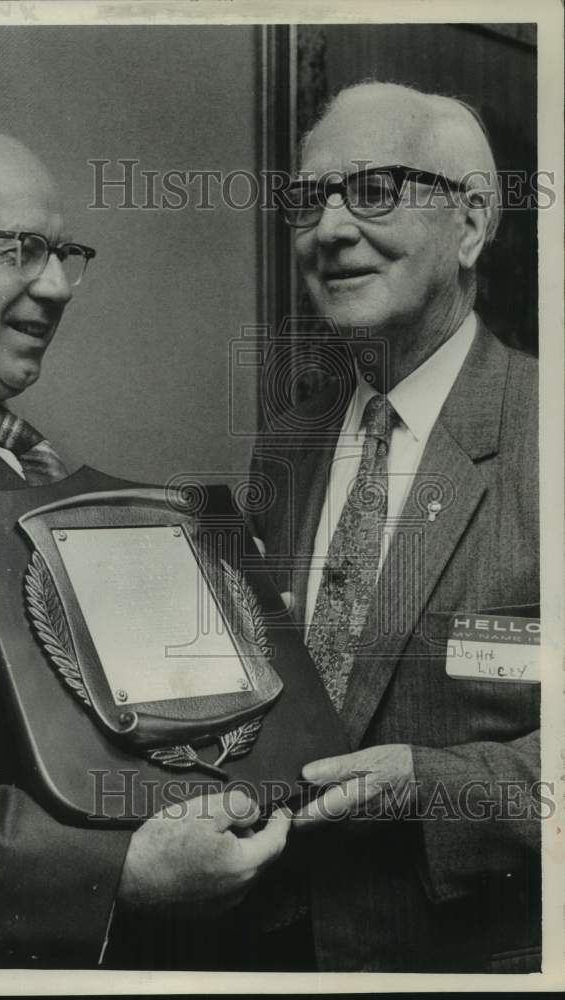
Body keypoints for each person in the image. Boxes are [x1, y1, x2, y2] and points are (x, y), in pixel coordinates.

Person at [0, 130, 290, 970]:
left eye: (64, 254)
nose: (54, 286)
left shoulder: (11, 453)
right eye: (20, 251)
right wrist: (115, 872)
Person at [250, 82, 540, 972]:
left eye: (373, 190)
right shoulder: (290, 438)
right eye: (309, 199)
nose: (330, 229)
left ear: (470, 221)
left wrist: (434, 785)